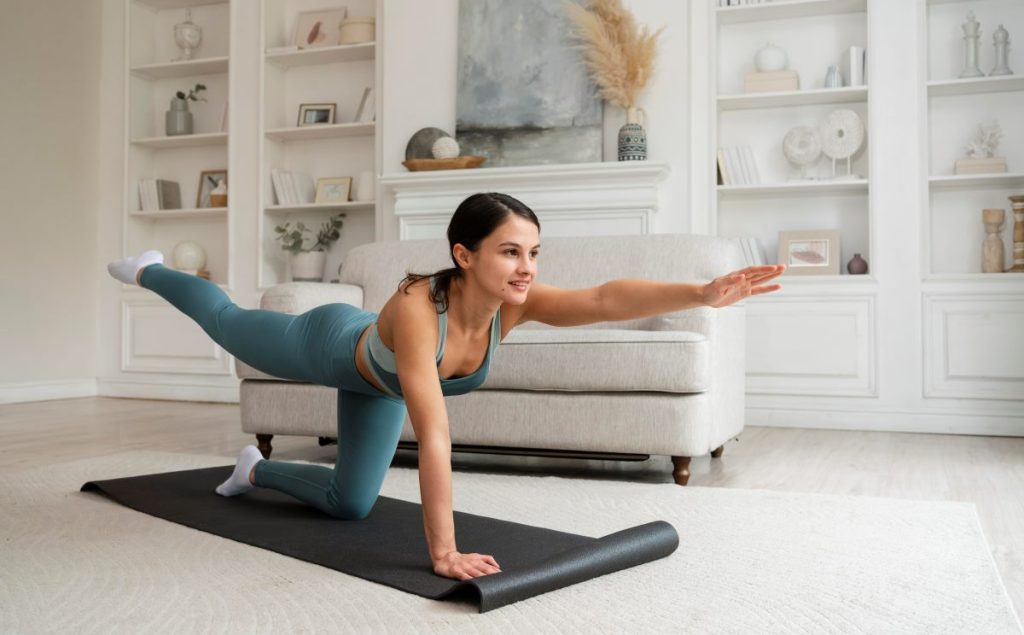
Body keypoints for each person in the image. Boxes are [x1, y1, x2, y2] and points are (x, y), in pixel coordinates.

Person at [106, 192, 785, 581]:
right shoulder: (414, 310)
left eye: (534, 252)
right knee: (227, 321)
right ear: (465, 255)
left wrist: (700, 290)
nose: (527, 267)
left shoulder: (511, 305)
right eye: (511, 251)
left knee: (349, 505)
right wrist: (443, 551)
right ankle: (150, 269)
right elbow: (433, 435)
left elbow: (605, 298)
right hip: (330, 345)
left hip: (380, 387)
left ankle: (256, 471)